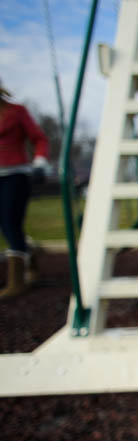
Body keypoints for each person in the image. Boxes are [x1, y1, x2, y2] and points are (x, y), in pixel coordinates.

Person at [0, 78, 49, 299]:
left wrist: (39, 162)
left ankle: (16, 282)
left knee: (10, 222)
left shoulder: (16, 111)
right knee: (6, 225)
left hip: (15, 173)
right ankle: (29, 252)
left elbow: (39, 138)